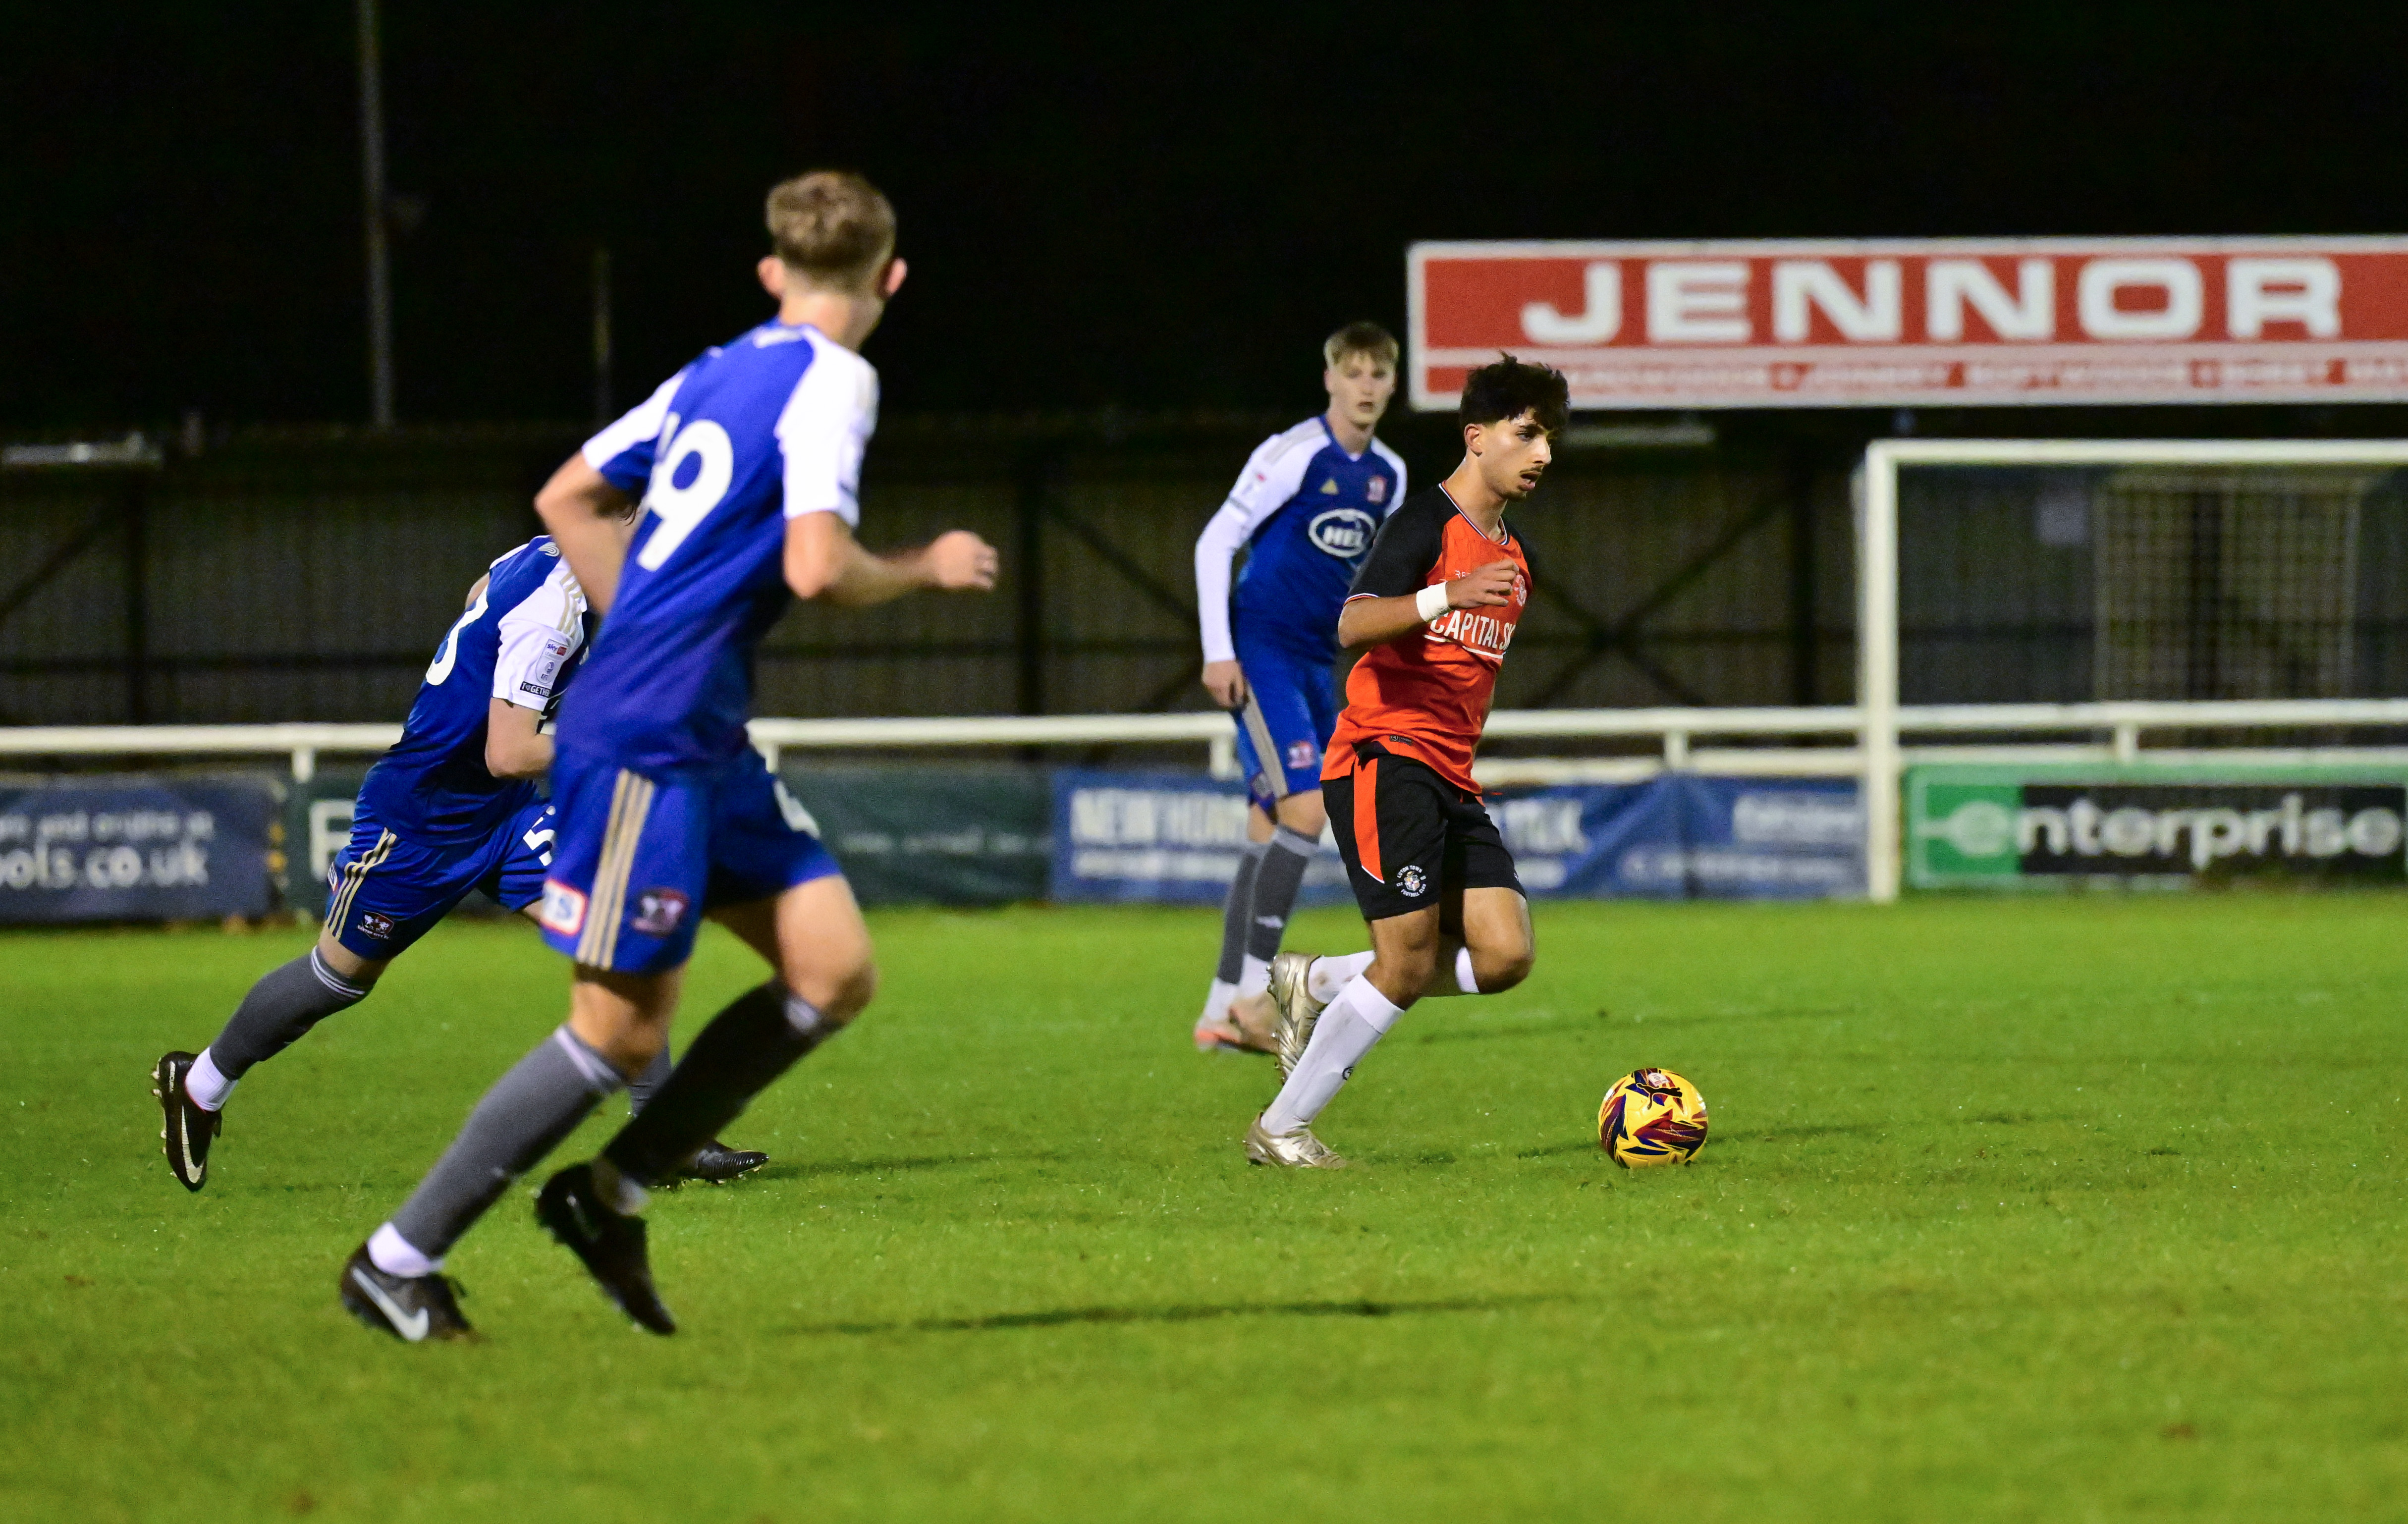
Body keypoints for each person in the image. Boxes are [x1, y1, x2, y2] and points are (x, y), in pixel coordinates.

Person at [337, 169, 997, 1342]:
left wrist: (636, 614)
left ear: (770, 274)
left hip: (697, 727)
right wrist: (927, 565)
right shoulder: (838, 377)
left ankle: (610, 1194)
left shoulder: (713, 369)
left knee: (833, 968)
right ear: (892, 278)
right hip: (646, 732)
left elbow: (567, 494)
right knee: (618, 1032)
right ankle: (398, 1257)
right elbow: (815, 566)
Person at [1243, 355, 1567, 1168]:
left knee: (1505, 955)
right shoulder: (1427, 524)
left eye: (1550, 439)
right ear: (1477, 436)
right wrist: (1444, 596)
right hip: (1384, 760)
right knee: (1409, 959)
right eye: (1527, 434)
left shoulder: (1516, 561)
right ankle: (1281, 1128)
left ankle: (1315, 984)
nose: (1543, 454)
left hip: (1451, 778)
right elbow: (1351, 627)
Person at [1190, 323, 1405, 1054]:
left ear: (1391, 384)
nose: (1367, 385)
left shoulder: (1391, 475)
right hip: (1263, 650)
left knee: (1266, 828)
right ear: (1331, 380)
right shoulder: (1293, 453)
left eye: (1379, 374)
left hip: (1319, 663)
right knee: (1306, 810)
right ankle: (1254, 1001)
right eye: (1355, 372)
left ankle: (1220, 1012)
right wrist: (1220, 652)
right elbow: (1215, 541)